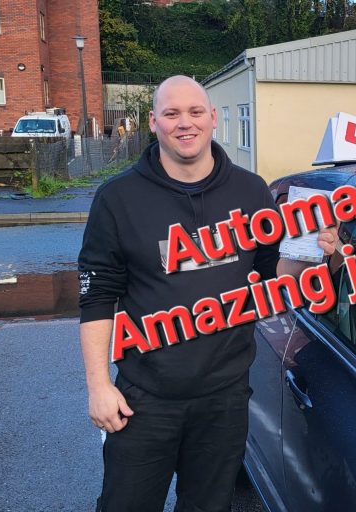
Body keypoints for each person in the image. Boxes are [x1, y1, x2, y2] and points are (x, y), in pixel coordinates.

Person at [78, 75, 336, 512]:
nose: (185, 123)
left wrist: (319, 257)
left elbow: (272, 272)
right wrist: (99, 385)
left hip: (225, 398)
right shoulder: (118, 198)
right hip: (144, 399)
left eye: (195, 112)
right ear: (153, 121)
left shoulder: (251, 191)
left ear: (213, 119)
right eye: (172, 113)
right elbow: (98, 295)